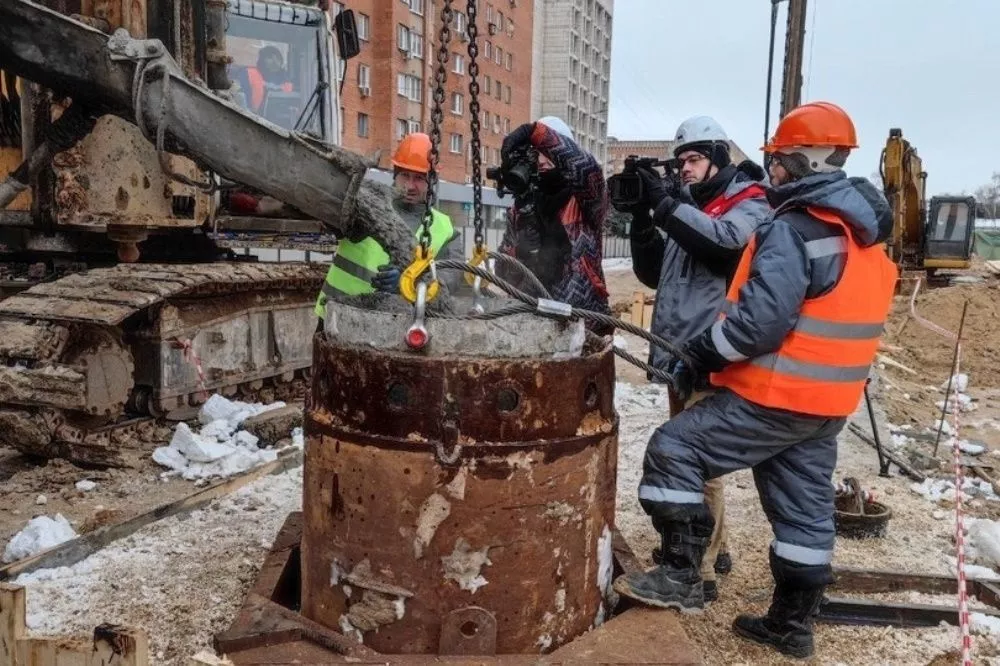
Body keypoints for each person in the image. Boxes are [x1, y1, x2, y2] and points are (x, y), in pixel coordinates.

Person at [613, 101, 898, 659]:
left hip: (778, 394)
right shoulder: (860, 237)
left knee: (674, 449)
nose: (773, 169)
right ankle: (791, 625)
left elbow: (762, 321)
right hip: (827, 403)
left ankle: (680, 576)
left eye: (778, 159)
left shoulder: (793, 228)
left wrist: (703, 350)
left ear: (794, 159)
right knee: (803, 511)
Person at [629, 116, 770, 602]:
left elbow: (723, 244)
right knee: (702, 467)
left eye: (692, 159)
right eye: (679, 162)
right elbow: (654, 276)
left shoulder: (749, 203)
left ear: (718, 157)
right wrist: (642, 225)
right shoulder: (696, 206)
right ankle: (719, 546)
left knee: (693, 463)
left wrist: (667, 206)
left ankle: (701, 571)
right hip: (680, 355)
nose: (684, 169)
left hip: (713, 355)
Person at [314, 132, 462, 319]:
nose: (410, 185)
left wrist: (407, 283)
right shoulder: (364, 204)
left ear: (431, 181)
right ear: (395, 175)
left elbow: (451, 278)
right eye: (405, 176)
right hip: (337, 314)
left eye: (418, 178)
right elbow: (333, 222)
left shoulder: (444, 229)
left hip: (394, 328)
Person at [496, 116, 612, 330]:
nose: (541, 160)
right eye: (535, 154)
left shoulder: (586, 200)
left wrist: (535, 133)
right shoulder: (521, 207)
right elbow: (502, 274)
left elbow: (586, 168)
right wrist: (518, 253)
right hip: (534, 324)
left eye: (547, 152)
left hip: (585, 323)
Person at [244, 45, 293, 112]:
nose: (275, 61)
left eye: (277, 58)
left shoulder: (288, 80)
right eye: (270, 57)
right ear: (261, 60)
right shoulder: (249, 74)